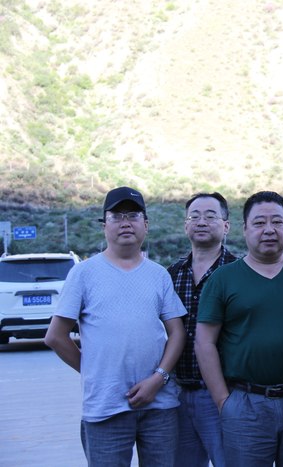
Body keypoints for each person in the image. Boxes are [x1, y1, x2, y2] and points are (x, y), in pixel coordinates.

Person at [45, 186, 186, 467]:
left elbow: (177, 332)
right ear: (104, 225)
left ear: (146, 225)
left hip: (159, 406)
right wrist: (95, 371)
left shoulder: (158, 275)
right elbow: (55, 337)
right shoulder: (83, 273)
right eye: (116, 216)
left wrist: (158, 378)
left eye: (133, 216)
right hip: (106, 407)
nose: (125, 223)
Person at [195, 191, 283, 466]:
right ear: (244, 229)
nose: (269, 230)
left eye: (277, 222)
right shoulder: (223, 279)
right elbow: (204, 342)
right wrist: (223, 401)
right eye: (259, 223)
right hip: (245, 404)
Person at [168, 192, 236, 467]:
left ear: (226, 226)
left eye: (210, 216)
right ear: (186, 225)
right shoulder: (172, 274)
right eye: (194, 216)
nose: (201, 222)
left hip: (224, 393)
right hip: (177, 394)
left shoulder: (239, 271)